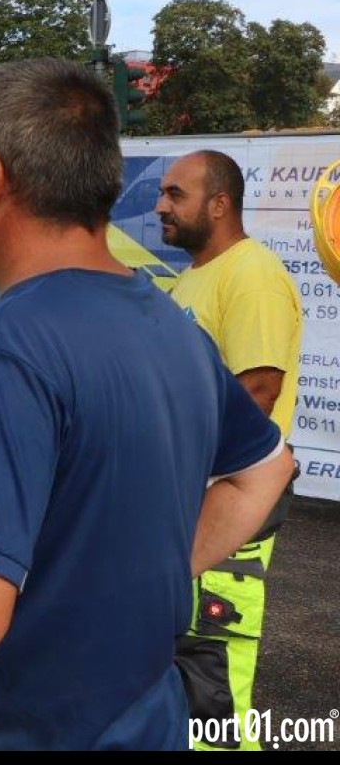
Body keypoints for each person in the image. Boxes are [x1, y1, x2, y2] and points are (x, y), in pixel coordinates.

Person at [0, 57, 294, 750]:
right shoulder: (171, 324)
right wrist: (153, 578)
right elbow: (265, 469)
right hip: (139, 719)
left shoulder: (11, 347)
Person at [156, 149, 303, 750]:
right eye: (163, 192)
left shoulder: (252, 274)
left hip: (231, 499)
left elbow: (257, 393)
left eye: (175, 195)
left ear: (219, 204)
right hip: (192, 498)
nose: (161, 206)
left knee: (210, 679)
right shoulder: (196, 275)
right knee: (179, 668)